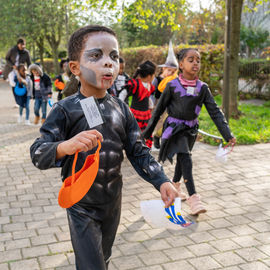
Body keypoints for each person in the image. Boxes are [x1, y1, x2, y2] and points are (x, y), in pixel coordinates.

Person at [30, 25, 178, 270]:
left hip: (112, 201)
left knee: (104, 259)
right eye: (96, 56)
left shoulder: (122, 109)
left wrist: (162, 180)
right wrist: (64, 146)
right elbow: (37, 152)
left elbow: (138, 151)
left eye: (114, 56)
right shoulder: (65, 109)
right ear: (75, 67)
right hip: (81, 203)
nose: (109, 63)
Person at [143, 48, 236, 215]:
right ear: (181, 64)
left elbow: (215, 111)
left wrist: (227, 134)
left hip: (191, 130)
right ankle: (194, 198)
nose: (195, 63)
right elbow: (158, 111)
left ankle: (175, 187)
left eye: (198, 60)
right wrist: (146, 133)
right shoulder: (172, 86)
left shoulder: (203, 88)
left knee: (182, 158)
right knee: (185, 156)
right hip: (174, 129)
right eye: (191, 59)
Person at [121, 61, 156, 148]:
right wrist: (120, 105)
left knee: (146, 132)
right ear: (149, 76)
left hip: (146, 114)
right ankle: (133, 147)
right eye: (154, 74)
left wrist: (151, 106)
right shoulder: (135, 84)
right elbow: (123, 93)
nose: (154, 77)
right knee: (134, 132)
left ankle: (143, 148)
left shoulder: (149, 85)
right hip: (135, 114)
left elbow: (147, 97)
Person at [152, 40, 179, 149]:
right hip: (159, 103)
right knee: (159, 121)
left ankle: (166, 139)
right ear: (163, 68)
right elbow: (152, 93)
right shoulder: (157, 80)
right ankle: (156, 136)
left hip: (171, 104)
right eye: (169, 70)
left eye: (173, 72)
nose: (171, 74)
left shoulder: (174, 80)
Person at [3, 38, 31, 106]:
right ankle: (17, 101)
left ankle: (23, 100)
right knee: (13, 84)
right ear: (18, 44)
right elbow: (7, 59)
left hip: (21, 69)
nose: (23, 46)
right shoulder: (12, 50)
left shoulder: (26, 52)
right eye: (22, 45)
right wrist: (12, 65)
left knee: (23, 83)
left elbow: (29, 63)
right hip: (11, 69)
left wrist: (29, 71)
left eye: (24, 45)